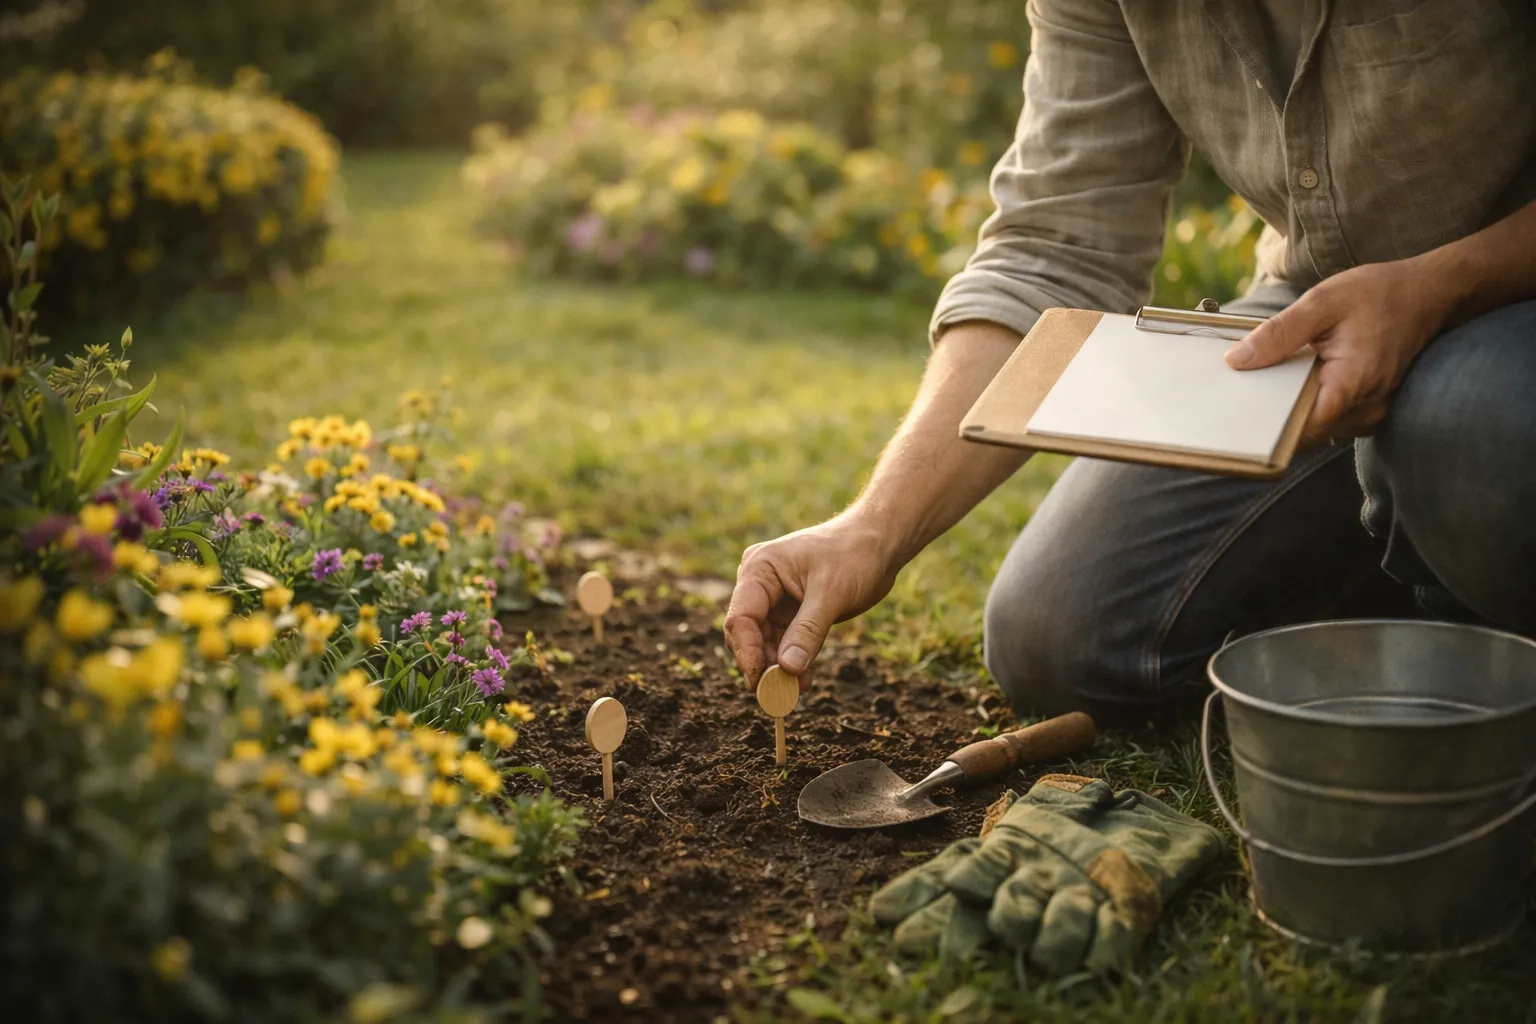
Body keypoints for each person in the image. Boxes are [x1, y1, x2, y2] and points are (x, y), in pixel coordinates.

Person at [724, 0, 1536, 721]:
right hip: (1310, 316)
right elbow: (1052, 249)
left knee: (1462, 422)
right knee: (1059, 636)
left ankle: (1468, 639)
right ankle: (1411, 540)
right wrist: (871, 529)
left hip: (1511, 299)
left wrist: (1439, 288)